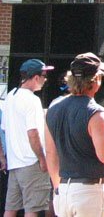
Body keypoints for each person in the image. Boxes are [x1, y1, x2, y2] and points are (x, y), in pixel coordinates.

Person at [45, 52, 104, 217]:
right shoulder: (96, 113)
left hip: (63, 190)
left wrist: (58, 187)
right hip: (89, 191)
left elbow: (51, 153)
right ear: (96, 80)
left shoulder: (53, 109)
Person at [2, 58, 53, 217]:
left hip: (14, 163)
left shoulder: (10, 96)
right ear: (36, 77)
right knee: (33, 209)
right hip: (31, 163)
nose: (45, 80)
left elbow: (2, 129)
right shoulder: (32, 100)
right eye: (44, 76)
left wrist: (2, 157)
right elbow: (33, 133)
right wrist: (43, 159)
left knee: (10, 208)